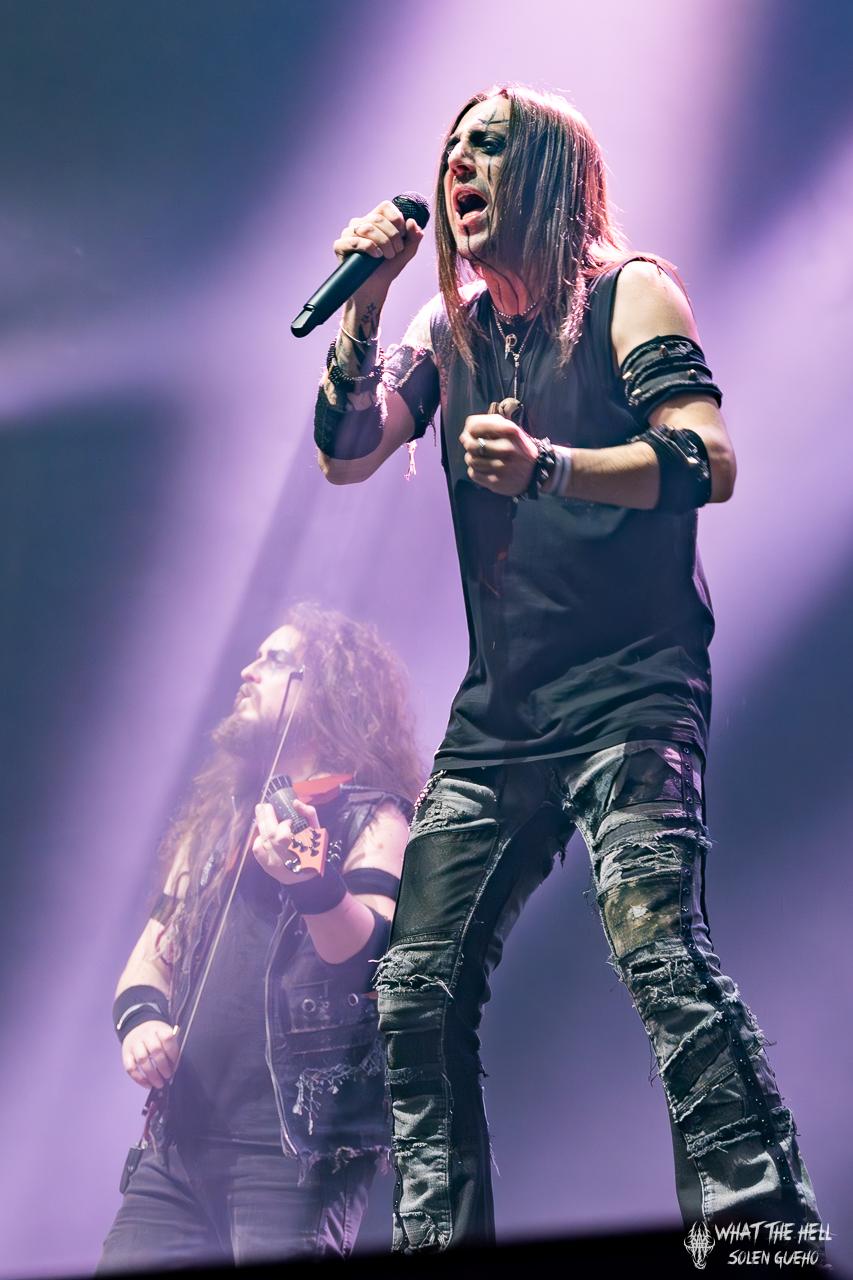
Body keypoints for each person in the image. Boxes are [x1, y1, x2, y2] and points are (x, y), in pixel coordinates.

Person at [313, 84, 822, 1252]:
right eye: (451, 148)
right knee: (414, 986)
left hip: (631, 688)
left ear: (548, 171)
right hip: (502, 714)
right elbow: (345, 451)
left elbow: (706, 456)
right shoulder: (444, 330)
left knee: (657, 952)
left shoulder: (629, 291)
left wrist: (550, 465)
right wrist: (367, 301)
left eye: (489, 146)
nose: (459, 164)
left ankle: (758, 1232)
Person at [98, 602, 422, 1269]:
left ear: (327, 690)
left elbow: (367, 961)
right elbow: (151, 954)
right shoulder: (216, 822)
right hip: (177, 1149)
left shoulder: (374, 817)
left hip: (293, 1155)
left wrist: (312, 885)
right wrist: (142, 1022)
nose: (247, 671)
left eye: (274, 660)